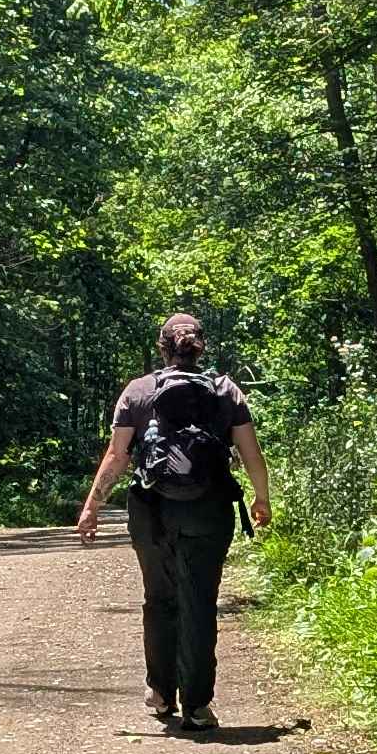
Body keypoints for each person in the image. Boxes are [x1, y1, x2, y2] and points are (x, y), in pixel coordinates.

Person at [75, 311, 272, 730]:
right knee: (199, 602)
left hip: (152, 509)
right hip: (210, 507)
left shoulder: (139, 391)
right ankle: (198, 707)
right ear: (201, 345)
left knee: (159, 597)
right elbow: (251, 454)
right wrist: (261, 498)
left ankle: (161, 693)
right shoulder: (226, 391)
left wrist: (92, 505)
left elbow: (117, 456)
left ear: (161, 347)